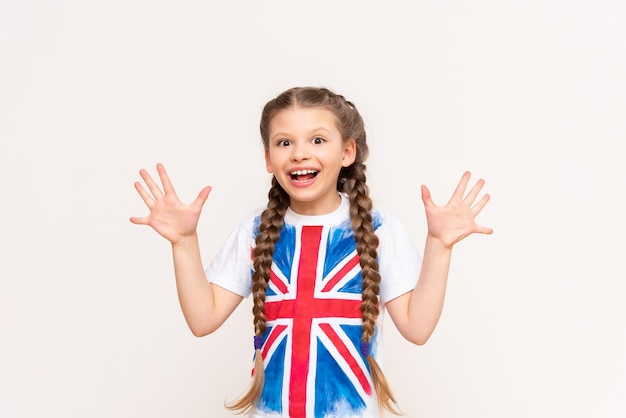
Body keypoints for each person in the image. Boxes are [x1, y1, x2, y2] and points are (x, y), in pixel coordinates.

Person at [130, 87, 492, 418]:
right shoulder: (255, 231)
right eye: (284, 143)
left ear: (347, 151)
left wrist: (439, 246)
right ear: (268, 159)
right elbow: (202, 318)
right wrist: (183, 242)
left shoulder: (379, 229)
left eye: (317, 139)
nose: (300, 153)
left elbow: (418, 326)